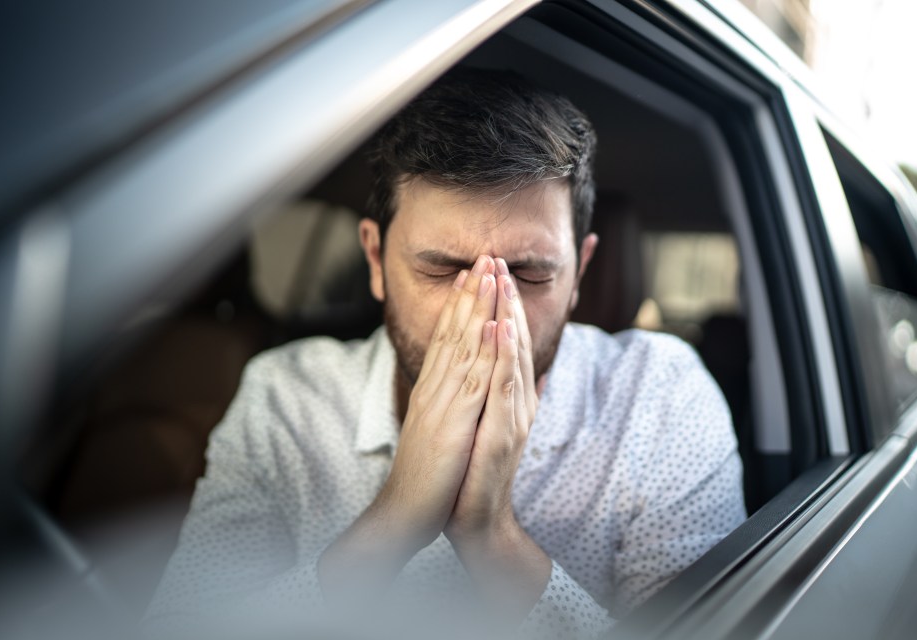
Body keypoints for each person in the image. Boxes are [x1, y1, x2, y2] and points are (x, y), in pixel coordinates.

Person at [145, 68, 745, 638]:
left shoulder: (660, 398)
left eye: (530, 276)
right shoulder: (286, 400)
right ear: (376, 260)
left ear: (580, 270)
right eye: (441, 269)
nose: (485, 312)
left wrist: (493, 536)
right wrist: (394, 520)